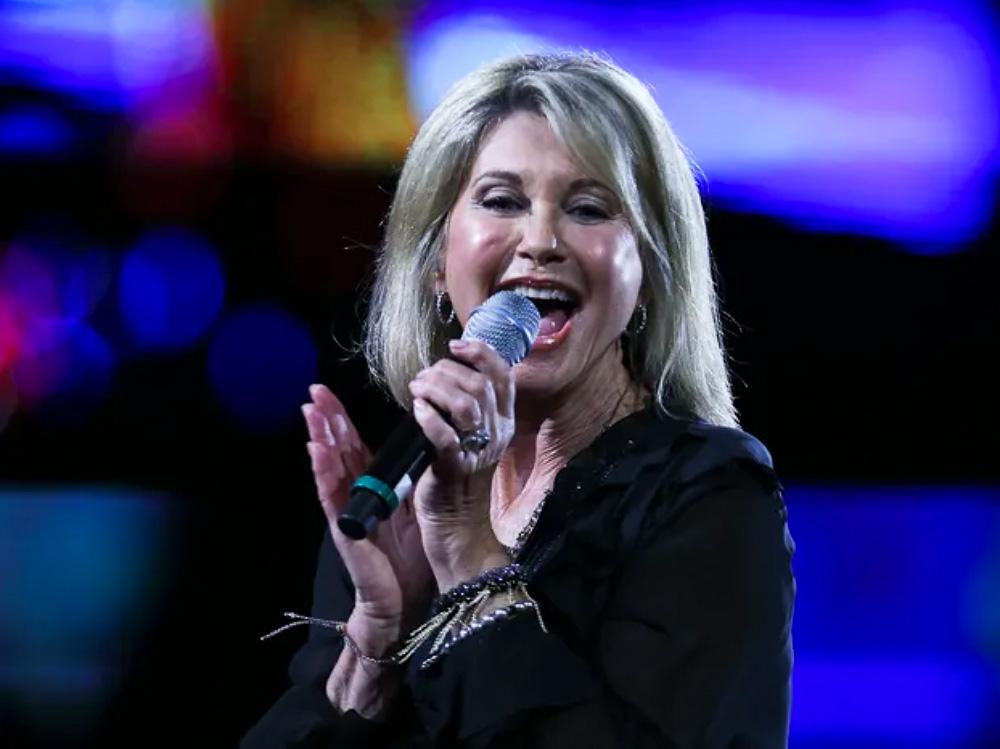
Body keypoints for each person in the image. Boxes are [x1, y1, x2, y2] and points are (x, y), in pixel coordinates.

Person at [242, 52, 795, 748]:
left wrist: (472, 558)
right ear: (437, 259)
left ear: (650, 274)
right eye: (502, 200)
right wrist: (377, 640)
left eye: (588, 208)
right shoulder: (397, 499)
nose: (540, 241)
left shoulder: (709, 495)